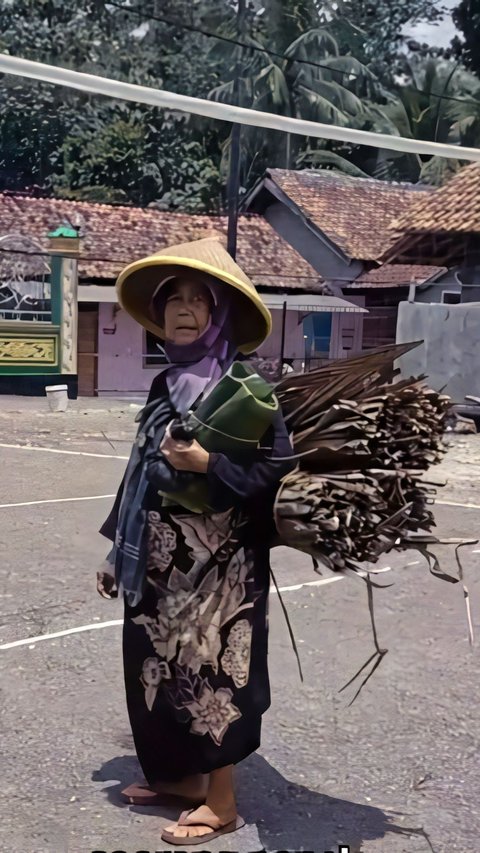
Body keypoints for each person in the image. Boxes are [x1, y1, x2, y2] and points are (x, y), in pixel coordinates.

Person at [97, 238, 295, 845]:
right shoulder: (166, 386)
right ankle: (181, 782)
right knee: (155, 669)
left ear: (219, 313)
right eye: (172, 299)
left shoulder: (246, 388)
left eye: (197, 299)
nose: (183, 310)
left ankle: (223, 802)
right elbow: (138, 471)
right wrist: (115, 548)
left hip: (220, 570)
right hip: (157, 565)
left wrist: (210, 463)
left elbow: (275, 471)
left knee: (214, 679)